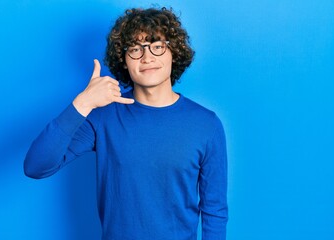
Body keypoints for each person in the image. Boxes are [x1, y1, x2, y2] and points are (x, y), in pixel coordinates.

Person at [24, 7, 228, 240]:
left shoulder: (206, 124)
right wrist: (81, 104)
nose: (147, 57)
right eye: (135, 49)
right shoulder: (103, 117)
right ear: (124, 60)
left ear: (174, 52)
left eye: (157, 46)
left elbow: (214, 210)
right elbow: (36, 166)